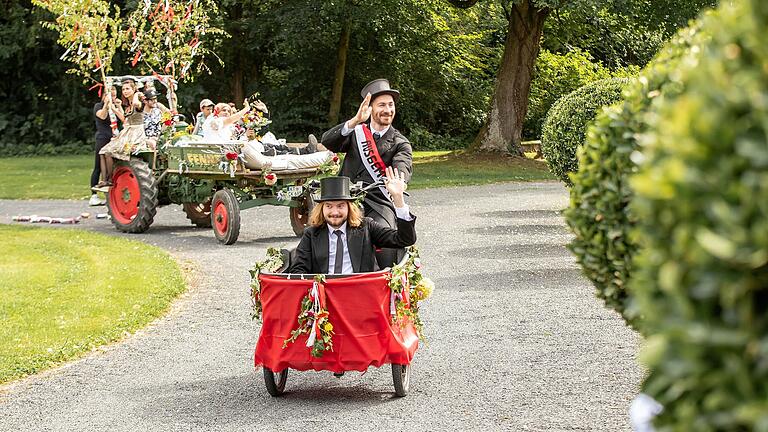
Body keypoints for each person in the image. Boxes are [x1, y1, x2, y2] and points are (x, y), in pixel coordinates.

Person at [321, 78, 414, 267]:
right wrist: (355, 121)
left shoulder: (399, 142)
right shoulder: (356, 132)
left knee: (386, 238)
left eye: (391, 104)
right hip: (345, 197)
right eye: (381, 105)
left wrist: (399, 182)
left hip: (377, 202)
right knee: (318, 230)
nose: (388, 110)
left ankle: (385, 278)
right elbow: (328, 141)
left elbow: (402, 166)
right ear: (370, 108)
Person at [289, 168, 416, 274]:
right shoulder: (311, 234)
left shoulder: (366, 227)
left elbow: (404, 239)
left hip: (361, 294)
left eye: (340, 206)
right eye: (329, 206)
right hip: (326, 297)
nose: (334, 212)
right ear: (321, 209)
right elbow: (298, 269)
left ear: (349, 208)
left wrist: (398, 198)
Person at [94, 77, 149, 192]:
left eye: (128, 89)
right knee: (103, 151)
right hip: (127, 131)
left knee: (109, 152)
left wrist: (136, 93)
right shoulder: (127, 105)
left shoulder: (138, 101)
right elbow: (125, 119)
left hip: (136, 133)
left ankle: (111, 179)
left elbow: (136, 104)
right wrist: (114, 108)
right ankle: (106, 180)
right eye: (123, 89)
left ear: (133, 89)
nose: (125, 91)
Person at [89, 86, 121, 205]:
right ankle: (93, 195)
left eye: (115, 95)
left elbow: (123, 119)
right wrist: (106, 105)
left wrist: (117, 106)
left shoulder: (115, 107)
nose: (113, 97)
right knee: (98, 166)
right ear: (104, 96)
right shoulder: (98, 106)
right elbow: (102, 116)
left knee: (112, 167)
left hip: (114, 138)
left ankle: (111, 193)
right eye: (111, 95)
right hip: (102, 138)